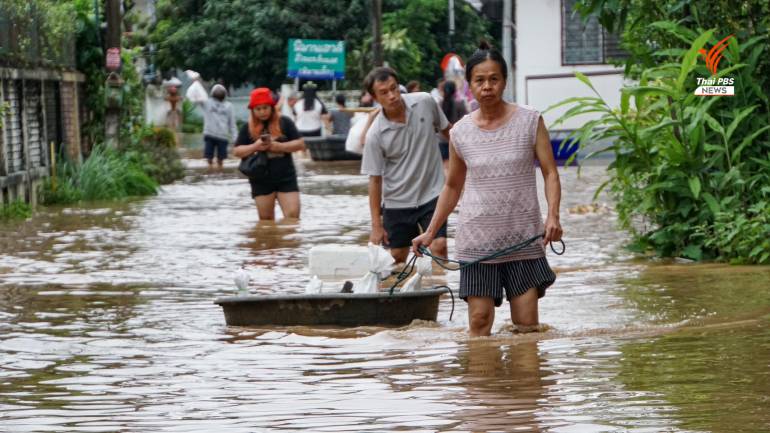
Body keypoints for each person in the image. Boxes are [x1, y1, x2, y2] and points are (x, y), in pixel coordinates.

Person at [412, 41, 563, 337]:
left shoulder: (530, 121)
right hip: (477, 243)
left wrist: (553, 216)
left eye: (494, 79)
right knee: (479, 324)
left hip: (523, 240)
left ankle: (526, 384)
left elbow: (550, 173)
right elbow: (453, 186)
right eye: (479, 80)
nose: (487, 86)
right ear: (469, 85)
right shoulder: (460, 132)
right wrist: (431, 232)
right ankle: (484, 382)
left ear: (504, 81)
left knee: (526, 326)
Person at [361, 67, 451, 264]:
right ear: (375, 97)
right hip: (397, 202)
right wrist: (376, 225)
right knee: (396, 259)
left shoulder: (425, 102)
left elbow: (449, 132)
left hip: (432, 193)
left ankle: (443, 293)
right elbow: (374, 181)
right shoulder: (374, 135)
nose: (392, 96)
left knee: (439, 246)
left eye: (394, 88)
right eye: (384, 93)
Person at [232, 87, 306, 220]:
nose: (262, 112)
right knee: (266, 221)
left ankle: (289, 241)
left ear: (272, 107)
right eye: (258, 109)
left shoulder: (285, 122)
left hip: (286, 176)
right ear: (253, 110)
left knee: (293, 217)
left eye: (265, 108)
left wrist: (280, 146)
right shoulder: (247, 128)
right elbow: (237, 151)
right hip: (260, 178)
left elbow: (300, 144)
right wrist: (255, 146)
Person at [197, 84, 238, 172]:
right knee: (209, 157)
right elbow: (197, 97)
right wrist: (197, 82)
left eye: (221, 91)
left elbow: (232, 124)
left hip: (222, 136)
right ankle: (210, 171)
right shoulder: (207, 102)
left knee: (221, 159)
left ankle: (220, 171)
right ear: (212, 93)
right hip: (209, 134)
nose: (219, 92)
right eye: (217, 90)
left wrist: (236, 139)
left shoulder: (229, 106)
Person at [437, 80, 468, 174]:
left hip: (441, 140)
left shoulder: (438, 104)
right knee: (456, 170)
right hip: (457, 141)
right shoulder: (460, 104)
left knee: (445, 169)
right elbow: (465, 123)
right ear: (455, 91)